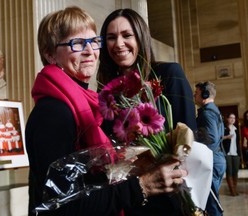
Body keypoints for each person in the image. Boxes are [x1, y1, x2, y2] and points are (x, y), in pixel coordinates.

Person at [25, 6, 187, 216]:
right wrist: (142, 186)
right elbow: (63, 206)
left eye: (94, 42)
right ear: (50, 54)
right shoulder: (52, 113)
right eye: (77, 43)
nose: (90, 51)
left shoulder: (88, 103)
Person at [97, 8, 197, 216]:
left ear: (141, 37)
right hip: (133, 197)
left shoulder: (169, 74)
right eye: (111, 37)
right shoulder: (108, 94)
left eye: (127, 35)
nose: (119, 44)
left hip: (173, 196)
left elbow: (189, 138)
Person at [194, 81, 226, 216]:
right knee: (211, 201)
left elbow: (211, 139)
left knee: (212, 204)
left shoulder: (207, 113)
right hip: (217, 159)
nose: (194, 96)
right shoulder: (213, 110)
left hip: (212, 160)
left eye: (196, 93)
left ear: (205, 94)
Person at [222, 112, 240, 196]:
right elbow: (219, 138)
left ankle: (235, 189)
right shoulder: (224, 128)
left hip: (235, 153)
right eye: (231, 118)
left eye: (234, 118)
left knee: (235, 171)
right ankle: (232, 190)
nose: (232, 119)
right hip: (227, 152)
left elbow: (238, 142)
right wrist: (226, 137)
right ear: (227, 119)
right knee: (229, 171)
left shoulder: (236, 129)